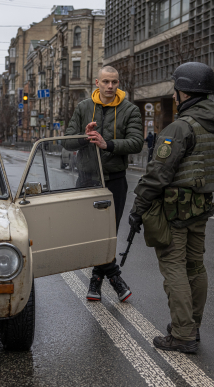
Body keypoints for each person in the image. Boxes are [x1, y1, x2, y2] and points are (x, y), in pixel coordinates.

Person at [129, 62, 214, 353]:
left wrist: (138, 208)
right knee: (196, 266)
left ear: (183, 92)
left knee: (174, 266)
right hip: (202, 207)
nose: (174, 95)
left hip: (175, 211)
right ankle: (191, 325)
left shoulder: (181, 127)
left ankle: (183, 334)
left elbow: (157, 174)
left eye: (176, 89)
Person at [65, 66, 144, 302]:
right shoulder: (83, 107)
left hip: (115, 180)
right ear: (97, 83)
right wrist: (84, 135)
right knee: (90, 233)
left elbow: (137, 142)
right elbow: (68, 142)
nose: (111, 86)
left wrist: (107, 144)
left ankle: (96, 280)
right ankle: (114, 277)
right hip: (87, 180)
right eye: (106, 82)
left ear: (119, 83)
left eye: (115, 82)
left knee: (108, 233)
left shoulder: (130, 109)